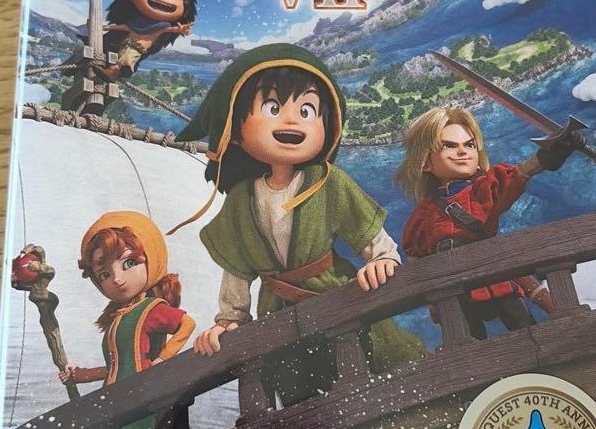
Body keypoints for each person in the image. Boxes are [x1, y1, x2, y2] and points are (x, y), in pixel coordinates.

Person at [174, 43, 424, 404]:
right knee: (301, 396)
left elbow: (369, 234)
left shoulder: (329, 182)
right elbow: (237, 269)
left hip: (335, 297)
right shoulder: (241, 200)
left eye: (307, 110)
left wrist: (382, 259)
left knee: (374, 371)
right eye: (273, 108)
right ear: (237, 127)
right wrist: (230, 318)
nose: (291, 121)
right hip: (277, 314)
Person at [394, 107, 573, 340]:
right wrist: (431, 297)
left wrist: (544, 158)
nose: (462, 151)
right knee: (469, 345)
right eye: (449, 146)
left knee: (526, 329)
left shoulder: (482, 191)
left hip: (495, 279)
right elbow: (416, 259)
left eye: (469, 145)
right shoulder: (423, 214)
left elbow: (517, 176)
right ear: (426, 163)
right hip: (454, 290)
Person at [54, 211, 195, 429]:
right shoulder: (116, 320)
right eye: (105, 274)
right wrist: (80, 375)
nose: (117, 279)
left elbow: (186, 324)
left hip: (140, 393)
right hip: (113, 394)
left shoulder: (151, 309)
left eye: (129, 263)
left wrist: (163, 359)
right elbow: (116, 366)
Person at [92, 0, 198, 82]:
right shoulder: (138, 22)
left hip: (136, 48)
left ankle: (113, 72)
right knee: (121, 53)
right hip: (124, 44)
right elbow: (126, 27)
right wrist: (105, 28)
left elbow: (170, 29)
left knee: (126, 58)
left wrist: (181, 30)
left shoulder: (161, 27)